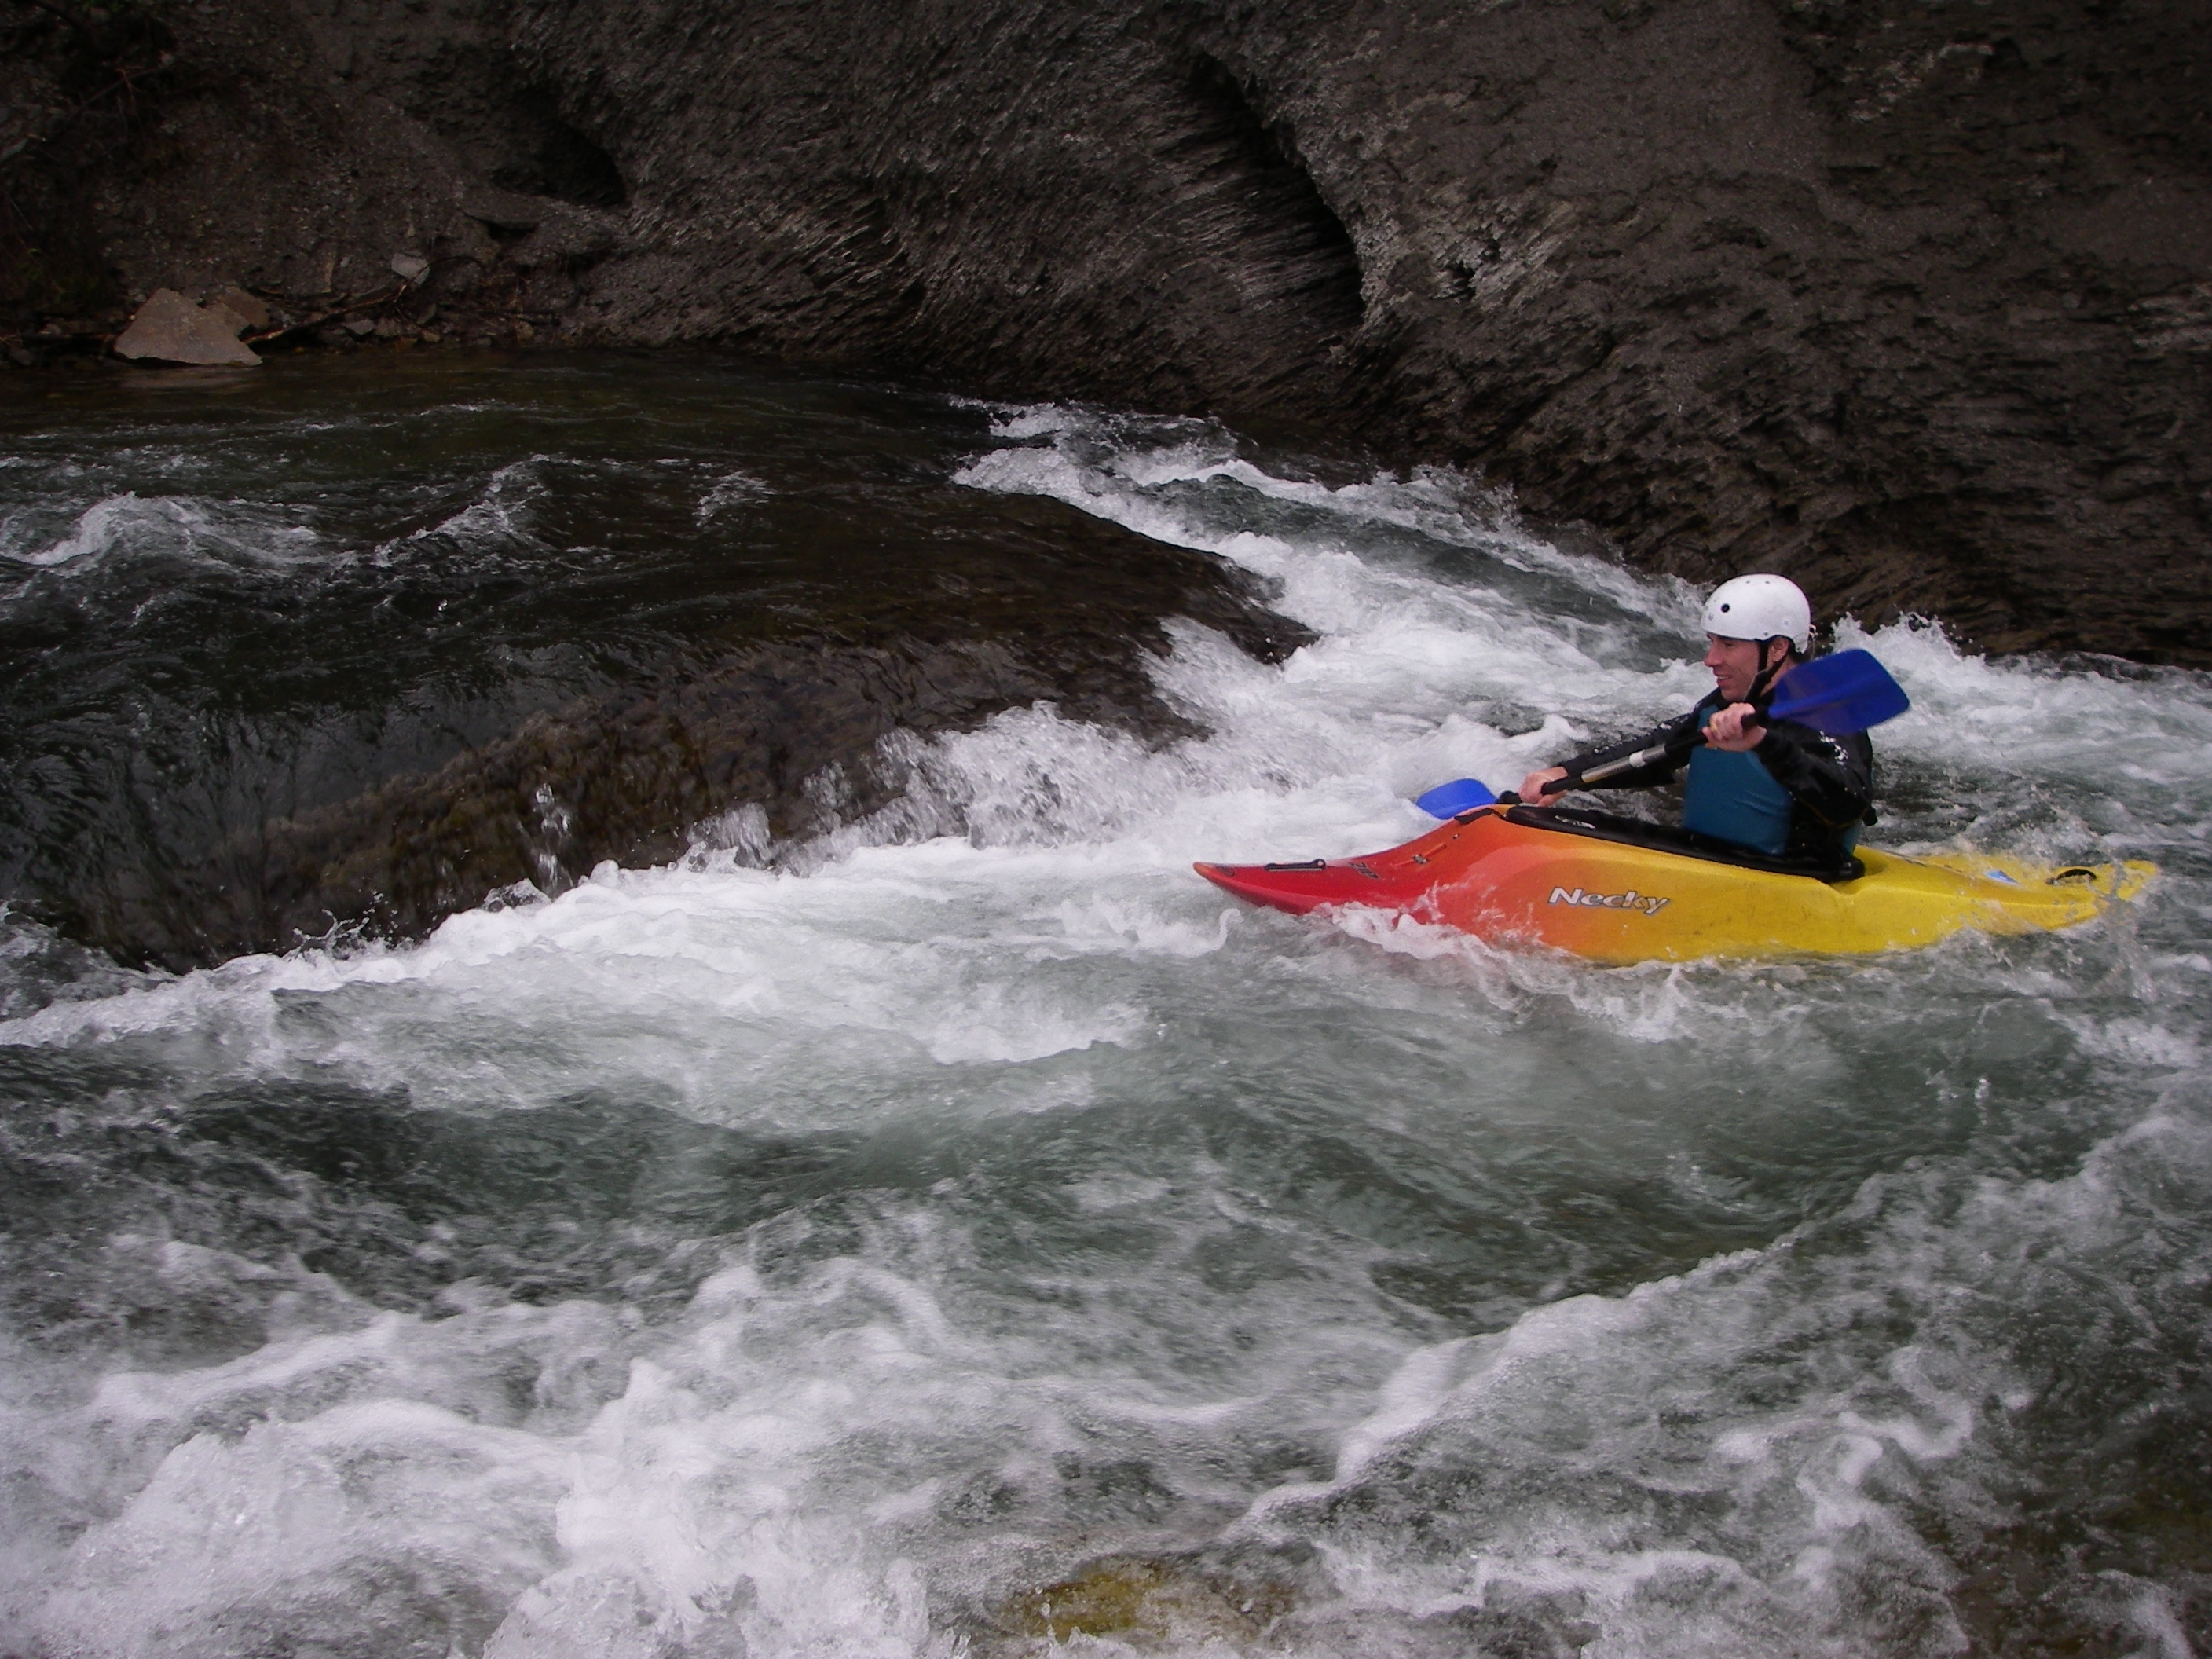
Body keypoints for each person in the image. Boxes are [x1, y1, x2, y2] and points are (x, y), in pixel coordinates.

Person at [1516, 573, 1873, 869]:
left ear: (1778, 648)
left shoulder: (1828, 713)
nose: (1710, 659)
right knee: (1539, 822)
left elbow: (1849, 802)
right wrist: (1565, 774)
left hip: (1791, 872)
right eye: (1712, 642)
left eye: (1728, 645)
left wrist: (1765, 743)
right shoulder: (1728, 702)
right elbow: (1661, 749)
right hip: (1716, 854)